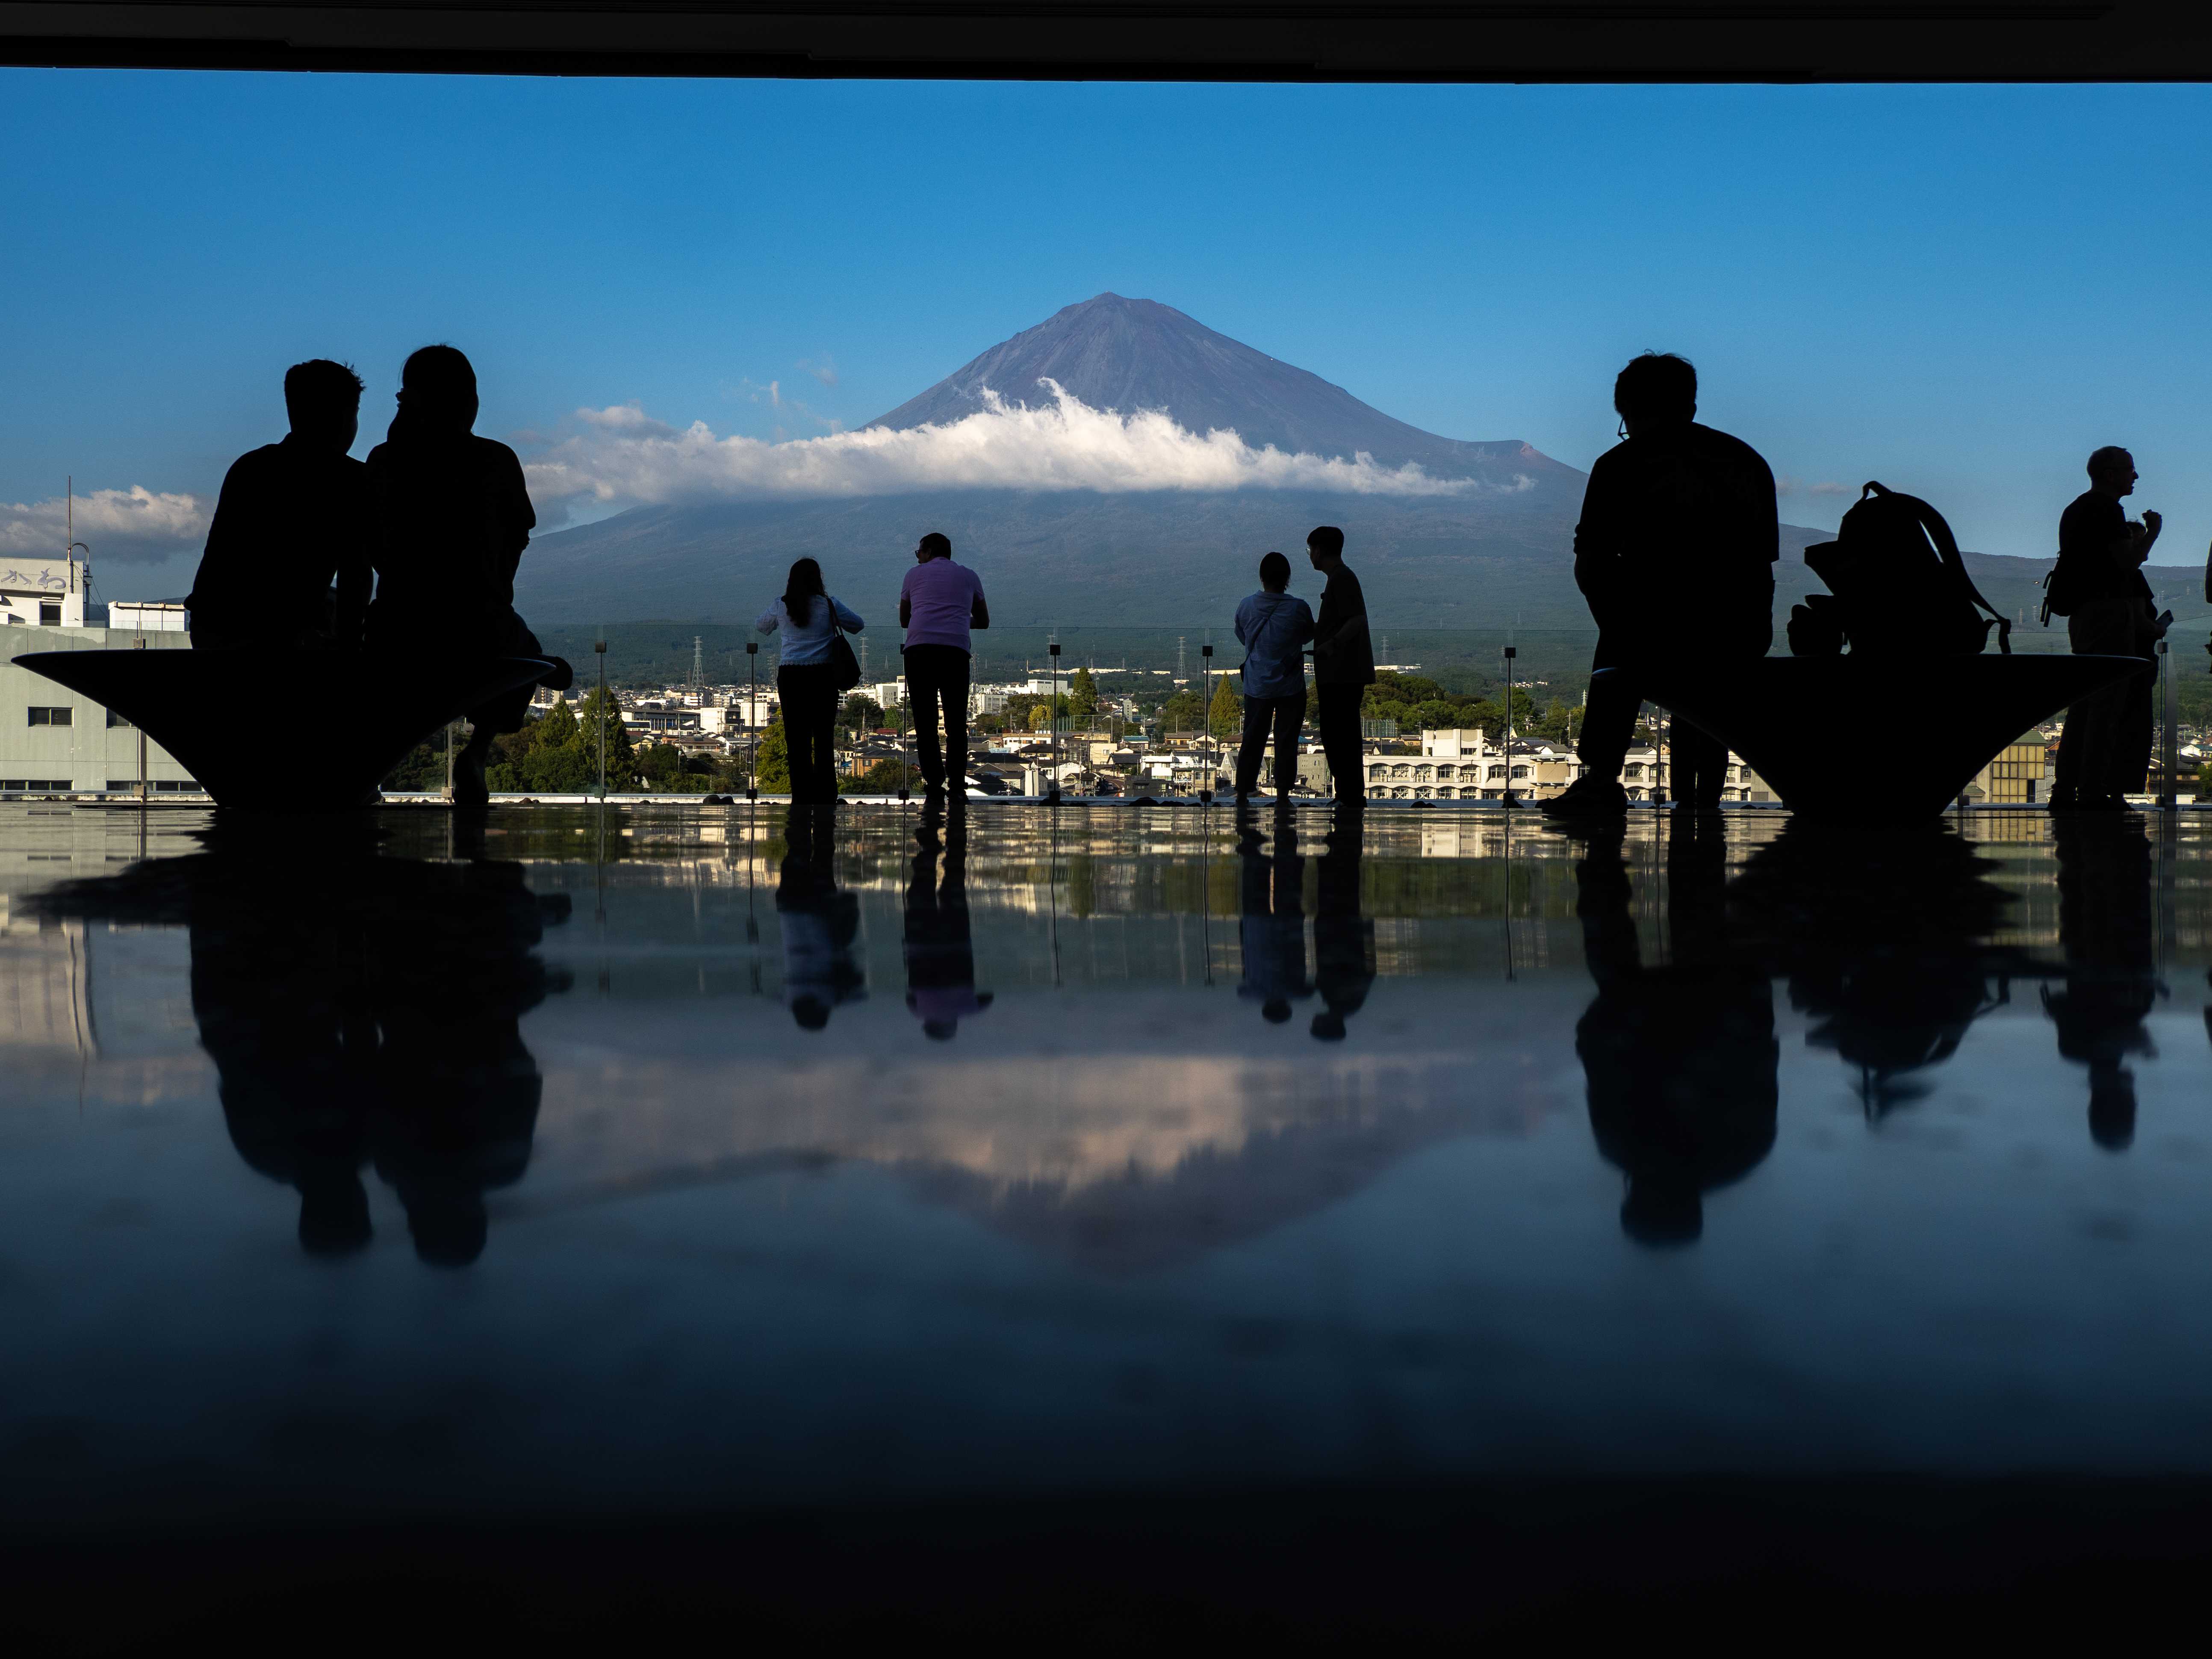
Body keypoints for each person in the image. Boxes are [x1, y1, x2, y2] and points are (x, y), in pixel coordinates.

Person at [1545, 353, 1776, 819]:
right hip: (1738, 628)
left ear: (1627, 409)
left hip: (1647, 628)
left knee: (1618, 651)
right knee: (1709, 700)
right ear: (1690, 405)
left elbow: (1590, 564)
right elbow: (1760, 564)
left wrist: (1616, 628)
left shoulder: (1621, 464)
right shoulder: (1746, 461)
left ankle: (1600, 780)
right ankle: (1705, 796)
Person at [364, 345, 569, 807]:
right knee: (522, 650)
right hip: (482, 629)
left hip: (397, 628)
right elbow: (520, 533)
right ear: (467, 400)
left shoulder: (383, 462)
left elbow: (373, 550)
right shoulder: (495, 460)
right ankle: (479, 747)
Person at [186, 359, 373, 650]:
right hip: (287, 640)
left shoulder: (250, 468)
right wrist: (348, 645)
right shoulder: (352, 480)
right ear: (346, 415)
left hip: (213, 632)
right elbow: (356, 578)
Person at [2050, 446, 2163, 812]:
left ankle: (2066, 788)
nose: (2136, 476)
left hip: (2084, 615)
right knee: (2107, 705)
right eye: (2130, 470)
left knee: (2085, 705)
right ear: (2111, 474)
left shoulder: (2077, 509)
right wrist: (2152, 534)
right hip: (2108, 615)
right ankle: (2095, 791)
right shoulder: (2106, 509)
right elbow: (2127, 563)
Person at [756, 557, 863, 805]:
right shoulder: (828, 605)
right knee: (824, 737)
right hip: (823, 676)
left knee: (796, 738)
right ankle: (827, 794)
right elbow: (858, 625)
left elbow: (761, 626)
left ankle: (801, 795)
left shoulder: (781, 606)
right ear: (819, 579)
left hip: (791, 675)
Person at [898, 531, 991, 800]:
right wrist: (959, 620)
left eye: (919, 554)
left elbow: (905, 620)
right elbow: (983, 621)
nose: (918, 559)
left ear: (927, 553)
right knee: (956, 722)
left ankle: (934, 782)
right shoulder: (969, 576)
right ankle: (958, 783)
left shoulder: (913, 576)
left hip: (919, 652)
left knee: (925, 722)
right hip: (955, 652)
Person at [903, 803, 992, 1040]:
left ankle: (956, 842)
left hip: (956, 941)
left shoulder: (968, 1009)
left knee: (953, 882)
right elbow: (909, 998)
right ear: (929, 1025)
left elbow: (988, 998)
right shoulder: (917, 1011)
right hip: (920, 942)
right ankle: (928, 849)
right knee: (921, 891)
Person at [1233, 551, 1316, 803]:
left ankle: (1244, 790)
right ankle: (1282, 793)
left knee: (1253, 738)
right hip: (1290, 683)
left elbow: (1243, 636)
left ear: (1261, 577)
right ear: (1287, 578)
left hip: (1257, 683)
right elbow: (1308, 635)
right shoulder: (1299, 608)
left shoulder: (1246, 606)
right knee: (1287, 739)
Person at [777, 806, 865, 1030]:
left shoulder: (827, 994)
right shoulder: (791, 996)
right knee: (798, 851)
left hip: (820, 911)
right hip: (791, 907)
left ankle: (818, 821)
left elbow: (856, 991)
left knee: (823, 857)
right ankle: (803, 818)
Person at [1307, 526, 1373, 803]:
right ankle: (1348, 792)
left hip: (1341, 672)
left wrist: (1331, 645)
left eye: (1310, 550)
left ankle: (1349, 793)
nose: (1310, 556)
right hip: (1343, 671)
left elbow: (1355, 619)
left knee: (1339, 733)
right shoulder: (1340, 578)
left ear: (1319, 551)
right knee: (1341, 732)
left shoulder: (1342, 579)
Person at [1235, 805, 1310, 1023]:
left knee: (1288, 887)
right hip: (1256, 930)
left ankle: (1285, 848)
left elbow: (1307, 991)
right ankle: (1255, 851)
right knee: (1255, 890)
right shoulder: (1254, 991)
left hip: (1289, 930)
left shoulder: (1293, 990)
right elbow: (1242, 992)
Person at [1310, 800, 1374, 1041]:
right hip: (1337, 929)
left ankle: (1342, 845)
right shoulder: (1339, 997)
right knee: (1337, 883)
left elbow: (1369, 970)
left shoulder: (1346, 1001)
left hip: (1345, 929)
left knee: (1344, 882)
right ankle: (1340, 844)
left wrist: (1367, 932)